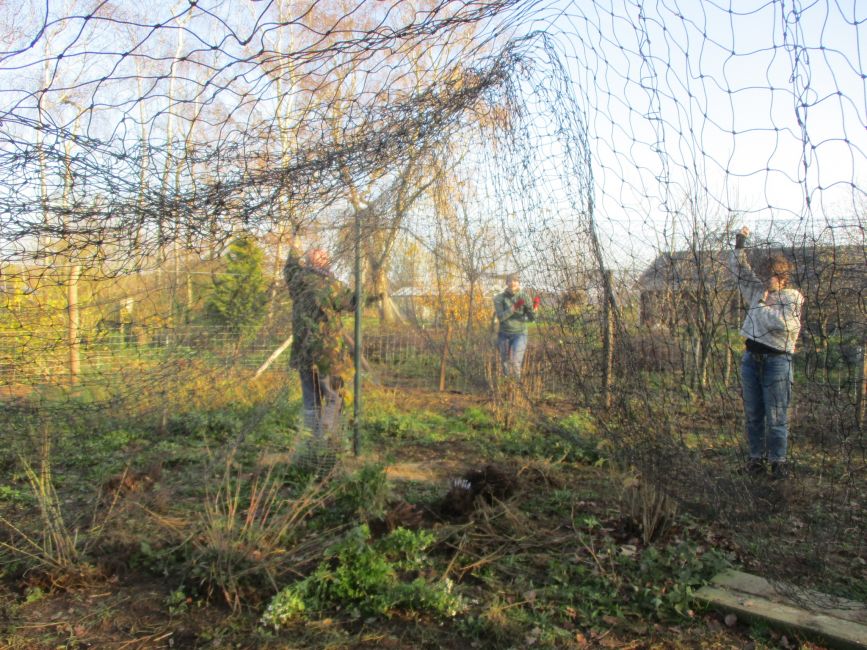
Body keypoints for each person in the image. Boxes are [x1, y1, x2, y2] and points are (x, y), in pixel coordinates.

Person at [729, 226, 804, 479]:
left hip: (777, 361)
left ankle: (778, 463)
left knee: (776, 414)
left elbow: (782, 324)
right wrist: (740, 243)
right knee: (753, 414)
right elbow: (739, 269)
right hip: (752, 359)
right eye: (762, 274)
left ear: (782, 278)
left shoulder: (791, 298)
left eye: (769, 276)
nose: (764, 279)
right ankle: (756, 460)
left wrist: (760, 305)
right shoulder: (756, 289)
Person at [284, 244, 355, 444]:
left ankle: (310, 441)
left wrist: (293, 244)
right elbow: (352, 303)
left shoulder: (297, 280)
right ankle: (327, 440)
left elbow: (289, 267)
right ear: (318, 262)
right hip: (327, 355)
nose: (326, 257)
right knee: (334, 397)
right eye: (322, 256)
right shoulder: (330, 286)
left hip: (303, 354)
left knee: (311, 401)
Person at [493, 273, 539, 379]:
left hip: (520, 334)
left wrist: (534, 307)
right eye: (510, 280)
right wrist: (514, 307)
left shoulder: (524, 296)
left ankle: (517, 387)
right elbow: (501, 317)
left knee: (515, 362)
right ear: (506, 283)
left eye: (515, 280)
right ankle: (506, 386)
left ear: (519, 283)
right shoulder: (499, 298)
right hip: (504, 334)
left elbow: (532, 318)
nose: (513, 283)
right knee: (505, 362)